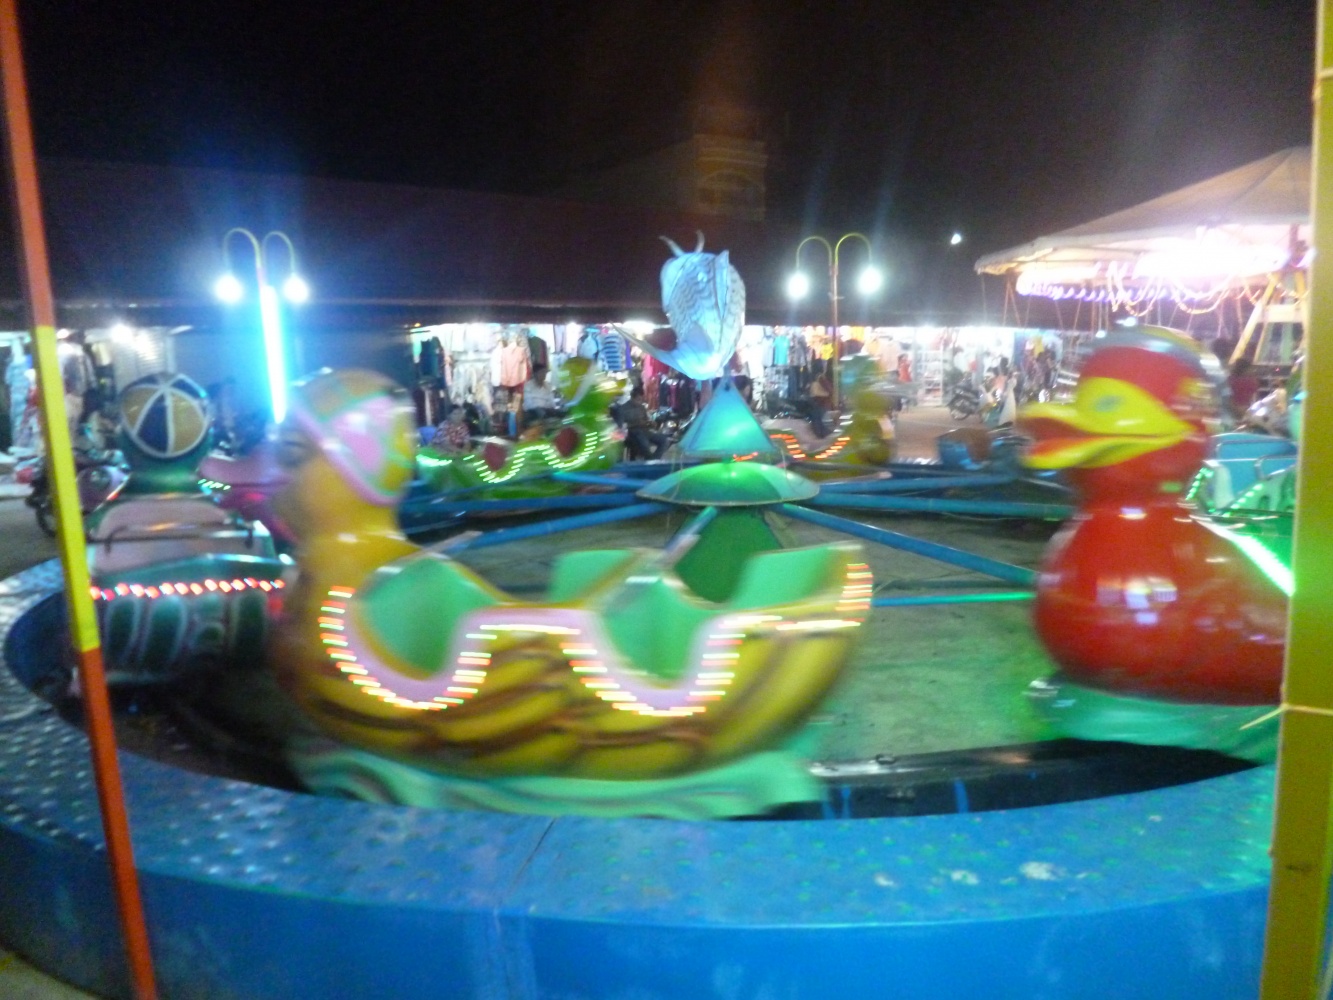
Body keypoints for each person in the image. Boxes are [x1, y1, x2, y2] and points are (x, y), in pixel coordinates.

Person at [619, 385, 667, 460]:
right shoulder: (623, 409)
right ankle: (650, 460)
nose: (639, 402)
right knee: (644, 444)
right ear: (632, 397)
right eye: (638, 400)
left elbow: (646, 420)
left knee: (664, 440)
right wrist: (636, 424)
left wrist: (651, 423)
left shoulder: (642, 407)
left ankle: (654, 459)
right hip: (633, 433)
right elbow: (622, 426)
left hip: (645, 431)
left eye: (641, 400)